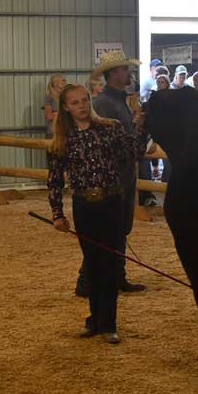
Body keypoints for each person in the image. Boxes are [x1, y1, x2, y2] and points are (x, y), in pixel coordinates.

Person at [48, 84, 152, 344]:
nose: (82, 106)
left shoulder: (110, 128)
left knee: (110, 263)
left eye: (85, 100)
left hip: (111, 203)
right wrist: (57, 213)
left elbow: (134, 151)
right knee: (93, 263)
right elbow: (55, 180)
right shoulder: (63, 139)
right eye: (75, 103)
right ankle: (95, 319)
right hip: (84, 205)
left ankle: (108, 323)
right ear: (65, 107)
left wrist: (141, 128)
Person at [87, 50, 148, 295]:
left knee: (120, 227)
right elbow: (107, 142)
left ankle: (116, 276)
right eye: (125, 69)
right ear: (113, 74)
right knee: (110, 229)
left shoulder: (119, 101)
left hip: (124, 172)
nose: (129, 73)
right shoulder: (105, 104)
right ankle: (91, 280)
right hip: (114, 174)